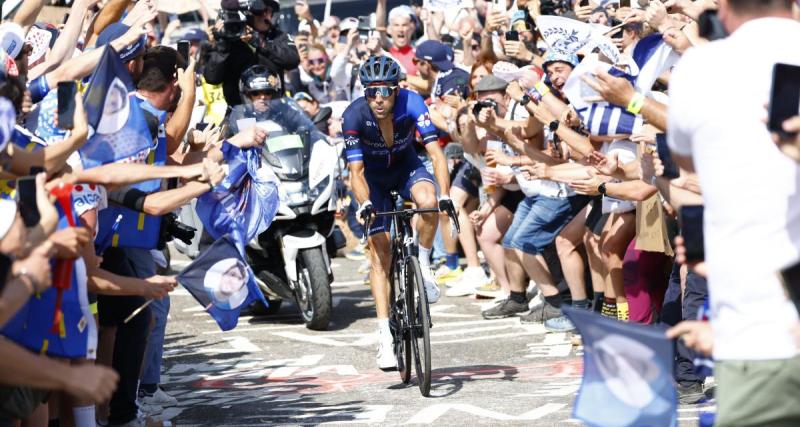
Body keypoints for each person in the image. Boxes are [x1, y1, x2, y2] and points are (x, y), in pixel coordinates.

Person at [666, 0, 800, 424]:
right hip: (757, 327)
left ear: (722, 10)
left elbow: (685, 168)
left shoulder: (701, 67)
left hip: (758, 337)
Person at [342, 55, 454, 370]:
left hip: (406, 167)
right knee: (380, 253)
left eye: (386, 92)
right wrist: (364, 203)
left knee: (428, 199)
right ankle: (385, 338)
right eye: (371, 92)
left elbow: (436, 153)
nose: (378, 99)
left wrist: (445, 195)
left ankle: (424, 260)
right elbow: (356, 171)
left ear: (397, 90)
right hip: (372, 181)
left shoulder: (414, 103)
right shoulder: (353, 116)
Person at [203, 0, 300, 106]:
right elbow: (212, 78)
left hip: (274, 110)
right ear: (246, 15)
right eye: (261, 12)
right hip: (239, 113)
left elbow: (293, 61)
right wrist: (222, 44)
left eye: (269, 11)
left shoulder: (278, 37)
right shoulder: (230, 41)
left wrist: (259, 42)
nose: (266, 16)